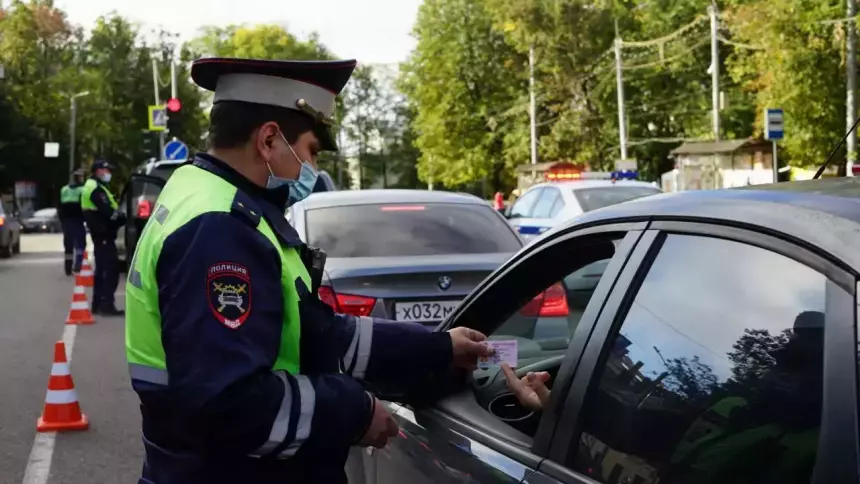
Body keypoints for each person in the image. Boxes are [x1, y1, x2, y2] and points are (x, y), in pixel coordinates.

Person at [125, 57, 494, 484]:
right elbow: (229, 404)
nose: (314, 171)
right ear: (268, 140)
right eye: (311, 151)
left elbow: (317, 334)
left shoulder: (212, 198)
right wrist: (356, 411)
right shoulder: (220, 228)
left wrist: (440, 348)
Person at [81, 160, 126, 315]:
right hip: (103, 234)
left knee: (101, 270)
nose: (109, 174)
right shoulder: (96, 189)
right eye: (107, 170)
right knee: (110, 271)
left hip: (100, 235)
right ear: (98, 171)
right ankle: (106, 306)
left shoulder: (93, 187)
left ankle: (98, 304)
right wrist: (124, 218)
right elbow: (108, 213)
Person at [58, 169, 86, 275]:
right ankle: (77, 265)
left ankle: (68, 268)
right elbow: (83, 207)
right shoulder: (82, 190)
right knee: (80, 244)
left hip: (66, 222)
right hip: (77, 221)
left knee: (68, 245)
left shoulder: (64, 189)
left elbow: (60, 206)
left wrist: (62, 221)